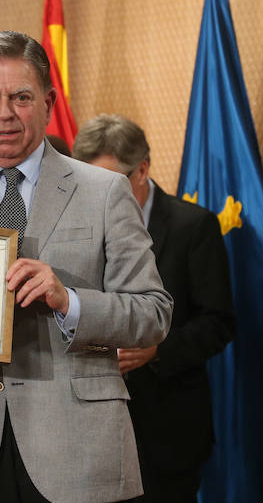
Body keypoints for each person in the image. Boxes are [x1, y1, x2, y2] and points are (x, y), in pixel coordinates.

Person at [0, 31, 173, 503]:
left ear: (48, 103)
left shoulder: (104, 191)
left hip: (78, 453)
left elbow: (153, 313)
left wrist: (69, 301)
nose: (4, 114)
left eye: (21, 97)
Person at [73, 114, 235, 502]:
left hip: (167, 430)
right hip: (91, 429)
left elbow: (219, 322)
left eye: (109, 182)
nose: (97, 195)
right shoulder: (76, 229)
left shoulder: (192, 226)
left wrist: (158, 349)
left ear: (142, 170)